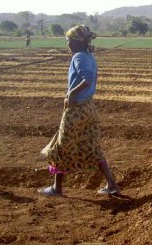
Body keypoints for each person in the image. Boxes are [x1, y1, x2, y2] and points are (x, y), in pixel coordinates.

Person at [38, 25, 120, 196]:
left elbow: (87, 79)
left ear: (76, 42)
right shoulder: (89, 56)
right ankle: (111, 184)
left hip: (76, 110)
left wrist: (71, 93)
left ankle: (56, 188)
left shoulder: (79, 57)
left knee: (61, 146)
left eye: (68, 41)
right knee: (92, 146)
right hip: (89, 109)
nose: (67, 44)